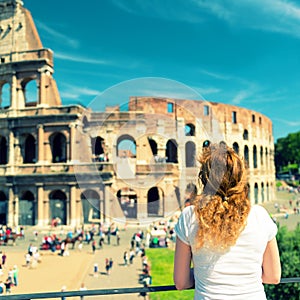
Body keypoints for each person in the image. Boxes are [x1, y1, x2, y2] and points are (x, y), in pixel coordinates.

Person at [173, 140, 281, 300]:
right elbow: (273, 276)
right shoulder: (260, 215)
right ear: (240, 178)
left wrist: (202, 273)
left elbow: (181, 282)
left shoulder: (190, 215)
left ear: (204, 178)